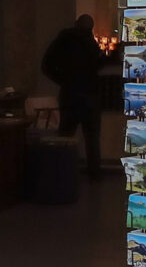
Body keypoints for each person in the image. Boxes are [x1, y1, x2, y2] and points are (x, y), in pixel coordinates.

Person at [41, 12, 105, 173]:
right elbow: (98, 65)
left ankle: (63, 170)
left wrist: (63, 80)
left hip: (71, 94)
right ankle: (94, 172)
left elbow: (47, 65)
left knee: (66, 135)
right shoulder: (90, 43)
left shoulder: (65, 40)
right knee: (92, 138)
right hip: (90, 94)